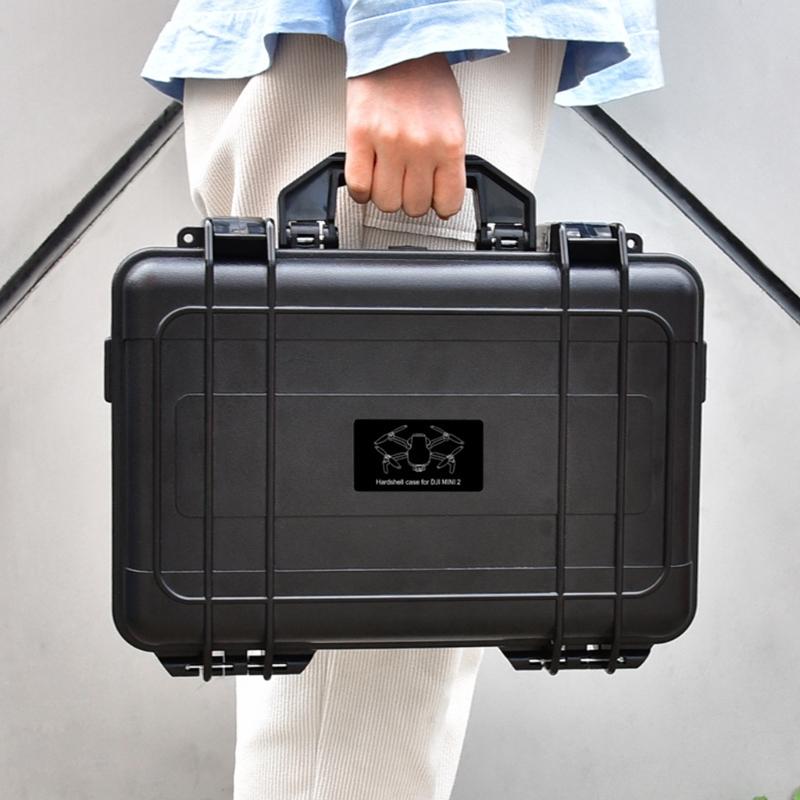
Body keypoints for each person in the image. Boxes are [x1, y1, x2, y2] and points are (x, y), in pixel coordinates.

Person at [140, 3, 663, 799]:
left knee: (346, 682)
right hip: (402, 45)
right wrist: (405, 40)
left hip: (403, 44)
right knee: (353, 717)